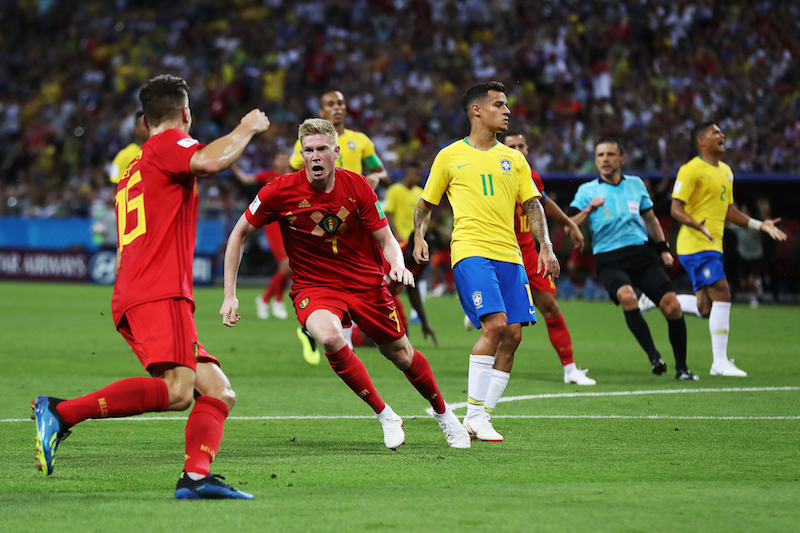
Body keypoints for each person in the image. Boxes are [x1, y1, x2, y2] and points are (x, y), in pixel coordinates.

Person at [32, 74, 270, 500]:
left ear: (143, 120)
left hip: (137, 290)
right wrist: (247, 127)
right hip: (159, 291)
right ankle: (60, 412)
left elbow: (126, 247)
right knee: (179, 393)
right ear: (185, 113)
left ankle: (195, 478)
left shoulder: (133, 168)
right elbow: (211, 162)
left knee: (218, 390)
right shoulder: (168, 145)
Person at [220, 118, 470, 450]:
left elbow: (385, 238)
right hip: (314, 287)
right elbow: (238, 233)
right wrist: (230, 295)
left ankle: (445, 416)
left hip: (365, 284)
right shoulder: (279, 191)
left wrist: (397, 264)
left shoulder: (358, 187)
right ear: (302, 154)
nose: (315, 156)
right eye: (308, 150)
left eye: (322, 149)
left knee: (401, 354)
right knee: (328, 335)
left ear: (336, 152)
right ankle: (385, 415)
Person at [413, 81, 560, 442]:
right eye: (499, 104)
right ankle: (474, 414)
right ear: (477, 110)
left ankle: (482, 417)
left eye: (507, 104)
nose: (507, 110)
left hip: (510, 256)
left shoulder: (514, 159)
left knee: (512, 335)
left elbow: (532, 204)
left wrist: (546, 245)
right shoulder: (450, 156)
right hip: (471, 250)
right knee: (494, 326)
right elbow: (426, 203)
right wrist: (418, 235)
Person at [568, 136, 698, 380]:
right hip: (608, 259)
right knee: (628, 297)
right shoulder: (587, 191)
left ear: (622, 158)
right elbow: (568, 226)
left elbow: (651, 219)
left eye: (610, 154)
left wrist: (663, 248)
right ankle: (654, 357)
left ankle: (683, 368)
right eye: (600, 155)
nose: (605, 160)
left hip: (641, 254)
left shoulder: (636, 185)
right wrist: (588, 210)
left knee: (672, 306)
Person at [669, 122, 786, 376]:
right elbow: (675, 208)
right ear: (701, 141)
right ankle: (719, 363)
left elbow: (729, 211)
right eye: (715, 132)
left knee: (705, 308)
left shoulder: (726, 171)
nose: (721, 135)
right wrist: (694, 224)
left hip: (714, 244)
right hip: (695, 244)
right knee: (723, 292)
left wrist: (759, 224)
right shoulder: (691, 170)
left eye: (721, 132)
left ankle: (660, 299)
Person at [289, 90, 389, 362]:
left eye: (341, 103)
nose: (337, 108)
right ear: (321, 111)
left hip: (357, 215)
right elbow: (295, 175)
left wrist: (374, 179)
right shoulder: (311, 146)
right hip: (324, 220)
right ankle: (327, 329)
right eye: (331, 104)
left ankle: (336, 332)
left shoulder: (360, 141)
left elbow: (381, 171)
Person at [499, 130, 595, 386]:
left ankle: (570, 370)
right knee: (503, 324)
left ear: (528, 150)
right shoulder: (495, 175)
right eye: (513, 146)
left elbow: (543, 204)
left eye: (522, 145)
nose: (518, 149)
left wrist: (570, 225)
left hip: (529, 253)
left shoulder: (532, 177)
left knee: (551, 307)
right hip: (500, 252)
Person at [230, 152, 294, 324]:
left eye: (284, 158)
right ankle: (268, 299)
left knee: (289, 265)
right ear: (274, 161)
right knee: (286, 264)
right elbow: (245, 179)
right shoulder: (268, 176)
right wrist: (232, 165)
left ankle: (275, 299)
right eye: (279, 158)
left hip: (290, 223)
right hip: (274, 225)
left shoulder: (295, 176)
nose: (281, 161)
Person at [384, 161, 423, 243]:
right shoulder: (394, 190)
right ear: (408, 174)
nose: (418, 178)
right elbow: (387, 214)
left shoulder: (420, 192)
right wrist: (395, 234)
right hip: (399, 238)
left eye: (419, 175)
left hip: (414, 240)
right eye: (415, 174)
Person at [109, 111, 149, 184]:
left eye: (151, 124)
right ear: (136, 129)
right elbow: (115, 185)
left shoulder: (162, 151)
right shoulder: (123, 155)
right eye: (144, 124)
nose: (149, 127)